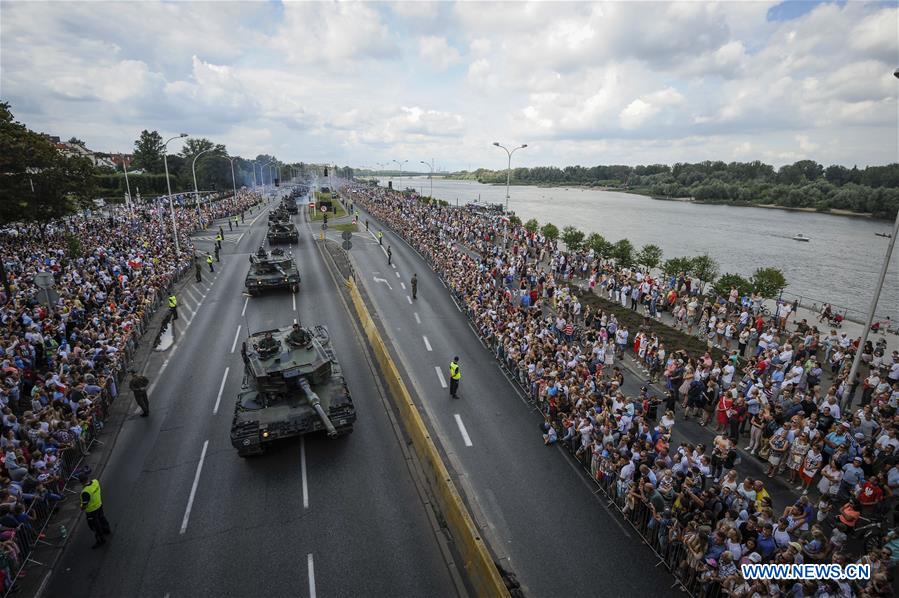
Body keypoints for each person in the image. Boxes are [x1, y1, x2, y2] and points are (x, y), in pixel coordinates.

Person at [80, 475, 111, 548]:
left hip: (91, 511)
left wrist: (81, 507)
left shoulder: (85, 492)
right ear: (87, 478)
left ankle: (101, 540)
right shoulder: (95, 482)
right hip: (99, 505)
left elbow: (84, 505)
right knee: (102, 518)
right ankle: (107, 530)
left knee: (95, 526)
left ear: (81, 482)